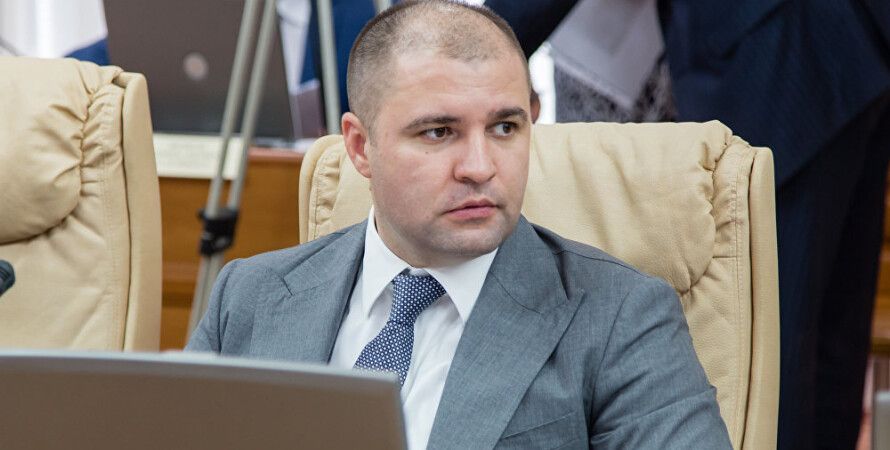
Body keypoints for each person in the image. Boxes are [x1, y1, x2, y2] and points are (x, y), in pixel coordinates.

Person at [187, 1, 731, 448]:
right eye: (439, 132)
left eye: (505, 127)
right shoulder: (250, 297)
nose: (479, 167)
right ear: (359, 147)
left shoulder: (621, 316)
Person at [485, 1, 890, 447]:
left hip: (775, 53)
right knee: (830, 335)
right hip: (855, 41)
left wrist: (474, 49)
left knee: (777, 346)